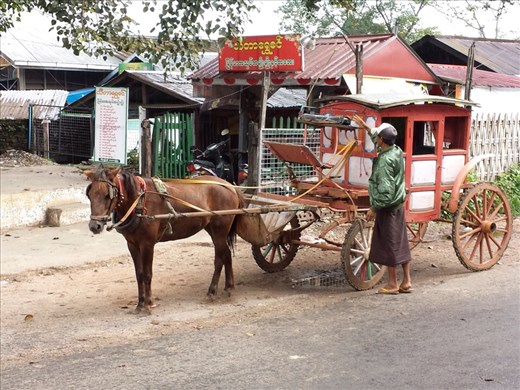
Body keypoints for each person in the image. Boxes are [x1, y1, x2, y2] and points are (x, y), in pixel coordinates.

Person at [352, 115, 412, 295]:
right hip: (398, 205)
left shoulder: (385, 161)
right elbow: (379, 142)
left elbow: (385, 193)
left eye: (377, 136)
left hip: (388, 208)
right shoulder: (394, 150)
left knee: (389, 244)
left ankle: (393, 284)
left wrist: (374, 208)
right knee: (400, 242)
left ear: (381, 140)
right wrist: (366, 128)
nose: (376, 140)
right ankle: (407, 281)